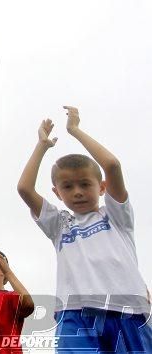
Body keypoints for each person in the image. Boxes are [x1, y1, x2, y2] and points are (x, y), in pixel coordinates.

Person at [17, 106, 152, 352]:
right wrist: (42, 146)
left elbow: (111, 165)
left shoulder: (116, 215)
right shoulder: (58, 224)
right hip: (74, 313)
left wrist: (75, 130)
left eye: (85, 184)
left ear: (101, 187)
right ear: (57, 193)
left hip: (128, 311)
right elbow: (25, 189)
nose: (77, 191)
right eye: (67, 187)